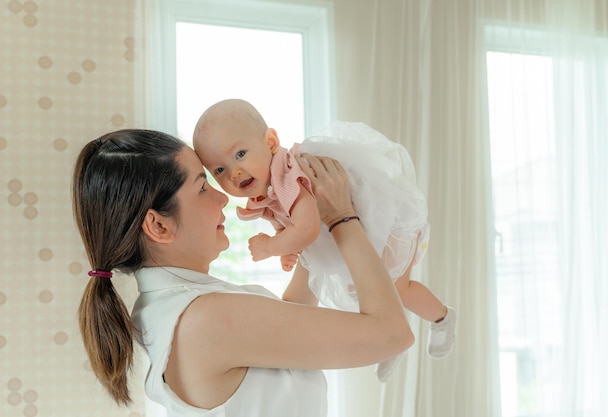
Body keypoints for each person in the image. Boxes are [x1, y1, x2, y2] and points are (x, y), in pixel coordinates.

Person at [72, 129, 414, 415]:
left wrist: (305, 226)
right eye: (203, 187)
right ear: (158, 226)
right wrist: (342, 218)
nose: (223, 199)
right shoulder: (205, 317)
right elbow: (391, 336)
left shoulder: (173, 307)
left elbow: (291, 327)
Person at [193, 99, 457, 381]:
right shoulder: (266, 187)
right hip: (339, 229)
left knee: (394, 287)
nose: (234, 172)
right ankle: (387, 341)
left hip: (386, 220)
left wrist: (271, 247)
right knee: (358, 292)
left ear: (271, 142)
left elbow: (306, 229)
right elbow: (290, 226)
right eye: (219, 170)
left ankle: (441, 318)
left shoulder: (291, 176)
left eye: (240, 154)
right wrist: (286, 245)